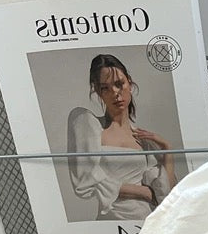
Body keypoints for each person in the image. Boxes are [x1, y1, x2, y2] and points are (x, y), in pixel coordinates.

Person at [67, 53, 177, 222]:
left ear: (130, 84)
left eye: (119, 84)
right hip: (112, 223)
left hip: (146, 222)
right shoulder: (88, 124)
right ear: (98, 91)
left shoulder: (144, 140)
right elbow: (85, 181)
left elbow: (168, 198)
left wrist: (168, 150)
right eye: (105, 88)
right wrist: (143, 192)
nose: (115, 93)